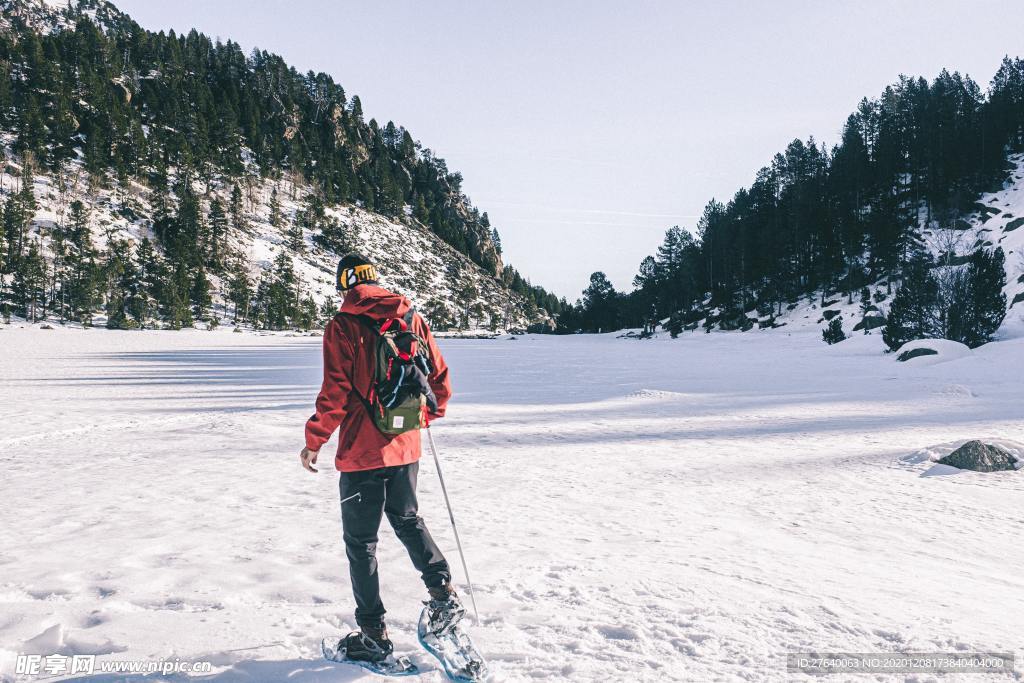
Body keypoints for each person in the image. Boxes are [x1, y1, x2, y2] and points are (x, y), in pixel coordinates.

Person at [300, 253, 464, 664]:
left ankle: (373, 634)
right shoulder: (411, 318)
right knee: (408, 520)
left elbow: (335, 392)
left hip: (361, 451)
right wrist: (423, 417)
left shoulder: (343, 326)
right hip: (406, 444)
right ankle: (443, 594)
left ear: (343, 286)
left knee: (361, 544)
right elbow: (440, 381)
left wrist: (314, 439)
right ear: (376, 280)